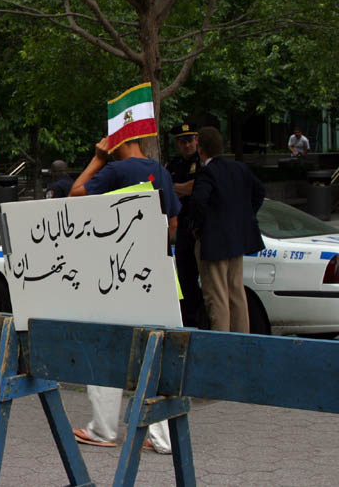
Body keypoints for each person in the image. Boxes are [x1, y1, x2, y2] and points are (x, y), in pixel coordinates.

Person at [68, 136, 181, 455]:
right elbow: (172, 223)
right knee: (156, 352)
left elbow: (74, 195)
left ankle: (103, 429)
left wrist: (97, 159)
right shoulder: (162, 171)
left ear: (117, 141)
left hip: (117, 275)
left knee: (105, 346)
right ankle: (162, 437)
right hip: (156, 275)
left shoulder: (115, 170)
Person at [189, 126, 265, 333]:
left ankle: (221, 344)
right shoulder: (239, 169)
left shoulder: (207, 172)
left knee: (217, 296)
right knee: (236, 293)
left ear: (201, 149)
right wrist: (245, 218)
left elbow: (198, 201)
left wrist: (198, 226)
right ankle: (242, 340)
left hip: (213, 243)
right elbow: (259, 192)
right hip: (237, 240)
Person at [165, 124, 206, 329]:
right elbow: (163, 187)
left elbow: (194, 188)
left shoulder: (202, 163)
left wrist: (175, 188)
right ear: (177, 143)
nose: (188, 144)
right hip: (181, 228)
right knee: (185, 279)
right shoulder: (173, 164)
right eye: (183, 141)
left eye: (191, 140)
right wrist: (179, 189)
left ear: (197, 141)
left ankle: (202, 321)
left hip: (198, 229)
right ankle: (190, 321)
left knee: (206, 283)